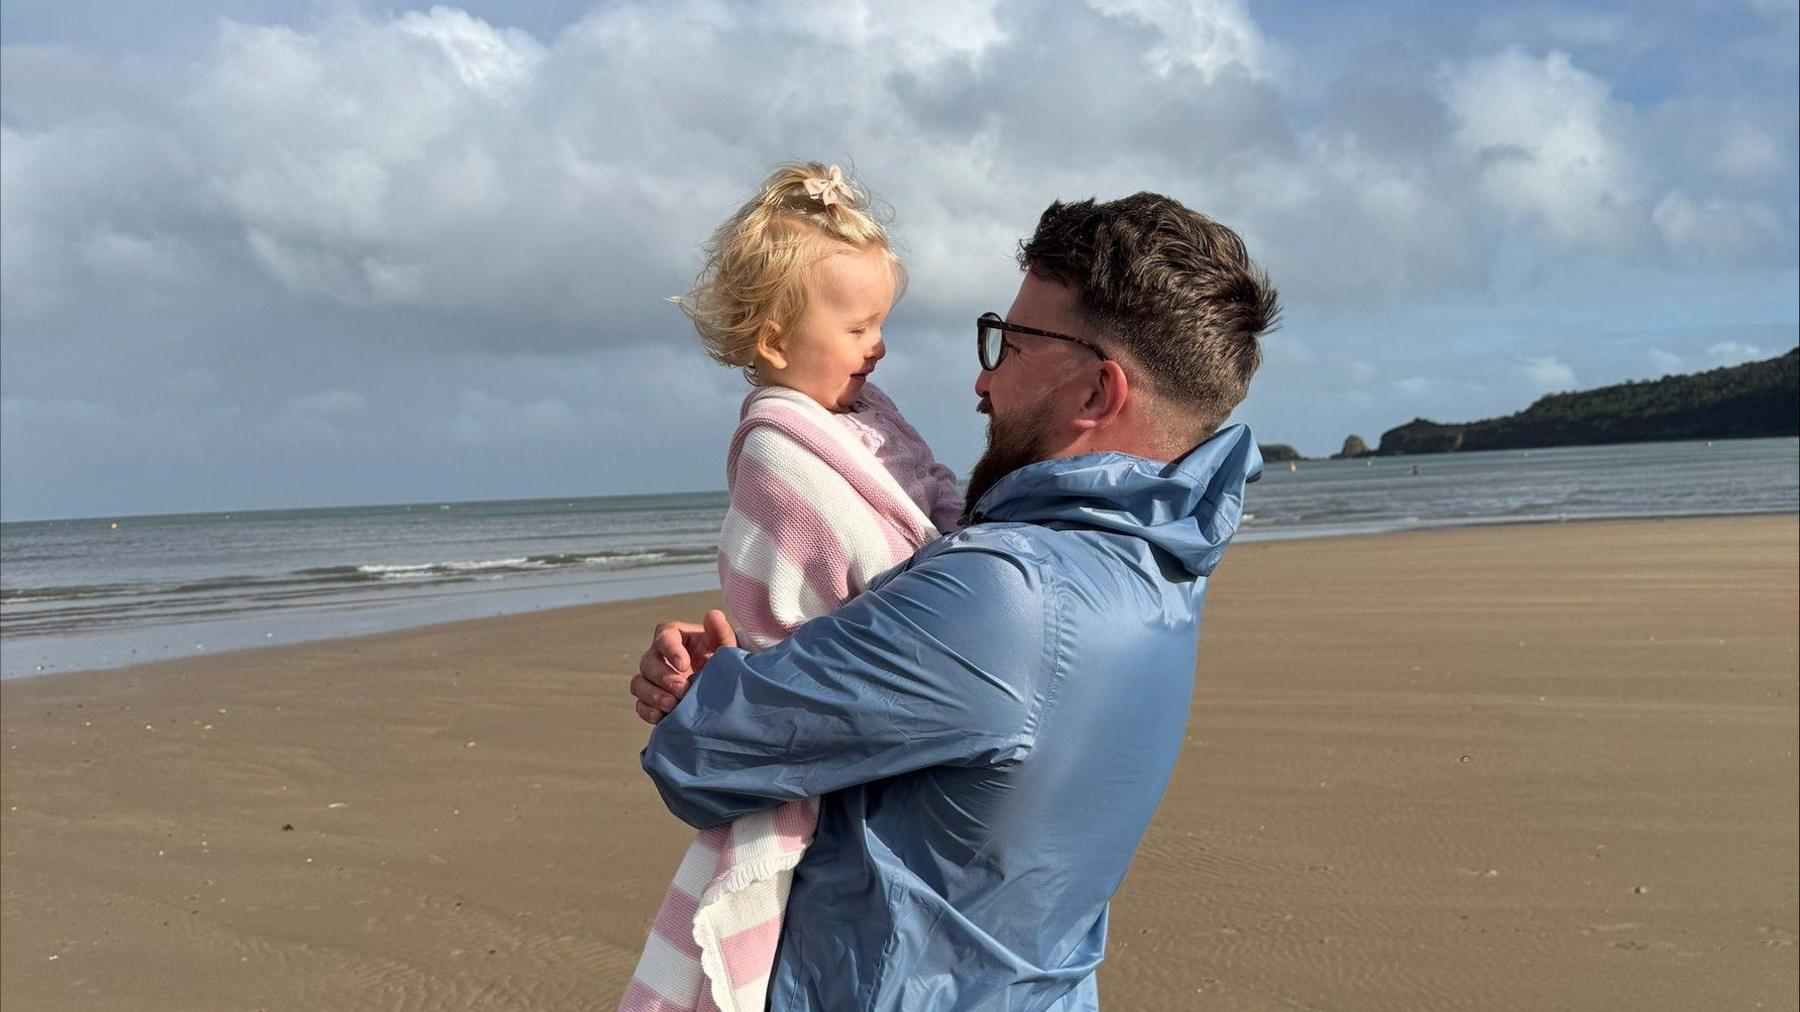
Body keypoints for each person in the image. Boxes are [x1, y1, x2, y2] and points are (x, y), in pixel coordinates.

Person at [629, 192, 1278, 1011]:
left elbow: (703, 758)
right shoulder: (1160, 565)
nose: (982, 376)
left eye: (1010, 344)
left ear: (1095, 394)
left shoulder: (1006, 599)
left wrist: (703, 689)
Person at [620, 162, 963, 1012]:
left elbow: (934, 492)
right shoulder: (780, 456)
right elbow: (823, 600)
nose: (877, 346)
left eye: (882, 323)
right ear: (775, 342)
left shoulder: (864, 415)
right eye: (858, 328)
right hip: (835, 716)